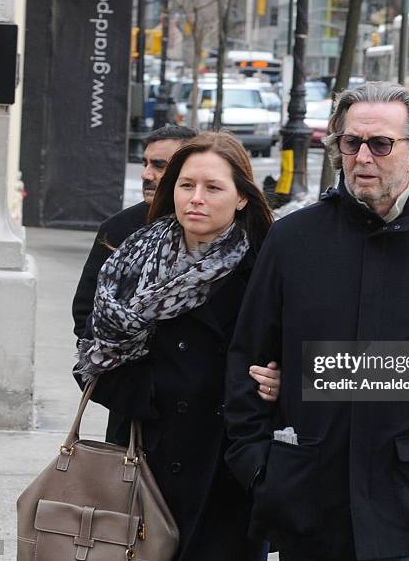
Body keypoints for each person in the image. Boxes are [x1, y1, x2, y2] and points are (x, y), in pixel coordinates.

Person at [224, 82, 409, 561]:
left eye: (380, 144)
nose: (361, 157)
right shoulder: (292, 241)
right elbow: (248, 359)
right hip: (310, 505)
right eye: (350, 142)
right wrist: (257, 465)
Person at [73, 132, 279, 561]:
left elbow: (291, 348)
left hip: (228, 464)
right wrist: (148, 394)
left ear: (242, 197)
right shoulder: (132, 252)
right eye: (186, 186)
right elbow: (92, 348)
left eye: (213, 188)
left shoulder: (268, 263)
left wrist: (281, 383)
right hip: (143, 450)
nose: (196, 199)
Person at [72, 125, 197, 340]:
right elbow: (85, 313)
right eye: (145, 163)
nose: (146, 174)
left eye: (159, 166)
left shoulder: (220, 231)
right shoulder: (118, 229)